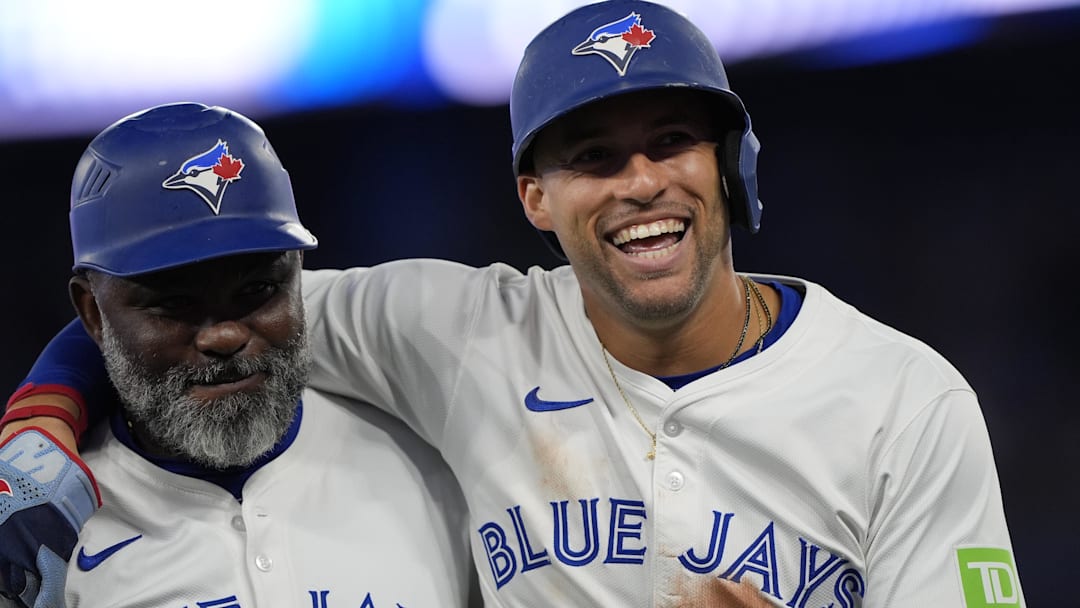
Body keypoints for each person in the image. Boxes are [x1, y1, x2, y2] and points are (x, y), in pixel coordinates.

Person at [2, 1, 1024, 606]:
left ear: (732, 165)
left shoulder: (906, 401)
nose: (638, 182)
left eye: (670, 140)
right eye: (591, 157)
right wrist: (39, 427)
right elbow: (185, 315)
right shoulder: (453, 333)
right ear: (535, 197)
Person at [0, 103, 475, 608]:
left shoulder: (426, 453)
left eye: (259, 289)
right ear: (93, 313)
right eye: (176, 304)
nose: (224, 335)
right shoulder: (42, 536)